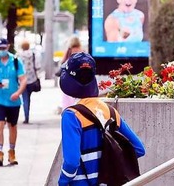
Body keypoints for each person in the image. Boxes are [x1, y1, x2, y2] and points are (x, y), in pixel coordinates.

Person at [58, 52, 145, 185]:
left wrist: (62, 181)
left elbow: (71, 162)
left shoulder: (71, 116)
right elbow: (138, 149)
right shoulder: (110, 111)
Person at [0, 37, 26, 166]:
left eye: (4, 48)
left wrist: (18, 93)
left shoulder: (16, 62)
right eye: (0, 48)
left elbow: (23, 79)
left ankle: (12, 152)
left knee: (12, 126)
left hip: (13, 101)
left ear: (8, 47)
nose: (2, 50)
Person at [16, 39, 41, 124]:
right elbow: (38, 66)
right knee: (28, 99)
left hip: (22, 81)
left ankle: (26, 117)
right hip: (32, 80)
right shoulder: (33, 54)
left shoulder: (19, 55)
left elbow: (17, 68)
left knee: (25, 99)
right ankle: (27, 114)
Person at [57, 36, 83, 113]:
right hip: (79, 79)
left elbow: (62, 63)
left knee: (67, 100)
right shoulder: (81, 51)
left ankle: (67, 113)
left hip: (68, 80)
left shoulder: (69, 51)